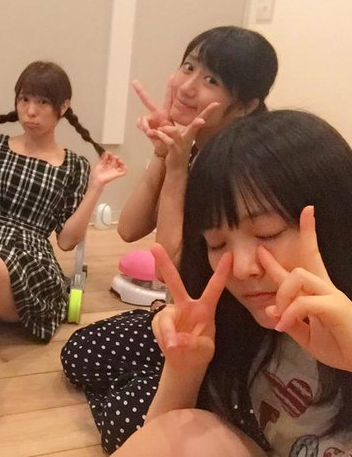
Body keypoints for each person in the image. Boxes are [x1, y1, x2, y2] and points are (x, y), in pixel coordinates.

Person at [112, 110, 352, 456]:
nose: (242, 268)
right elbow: (165, 437)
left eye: (267, 233)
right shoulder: (242, 324)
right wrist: (184, 368)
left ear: (337, 222)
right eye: (217, 244)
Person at [61, 26, 279, 453]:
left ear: (246, 105)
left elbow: (169, 268)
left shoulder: (240, 169)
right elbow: (128, 228)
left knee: (125, 420)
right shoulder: (192, 145)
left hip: (225, 337)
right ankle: (156, 390)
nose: (188, 86)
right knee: (79, 354)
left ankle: (184, 402)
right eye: (188, 67)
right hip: (183, 315)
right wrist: (163, 154)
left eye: (211, 79)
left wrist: (177, 169)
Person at [0, 61, 127, 456]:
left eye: (43, 102)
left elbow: (67, 241)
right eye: (24, 99)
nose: (31, 111)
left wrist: (96, 188)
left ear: (63, 107)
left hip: (30, 263)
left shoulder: (73, 165)